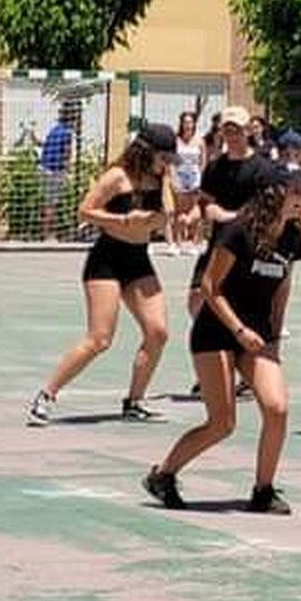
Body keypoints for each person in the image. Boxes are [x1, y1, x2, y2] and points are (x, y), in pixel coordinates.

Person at [144, 160, 301, 515]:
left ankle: (263, 491)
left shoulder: (293, 236)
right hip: (217, 330)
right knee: (222, 423)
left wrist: (274, 337)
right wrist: (238, 330)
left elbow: (282, 289)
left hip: (257, 334)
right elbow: (210, 287)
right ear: (273, 193)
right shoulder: (238, 230)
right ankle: (163, 475)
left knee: (277, 409)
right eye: (294, 189)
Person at [26, 125, 177, 426]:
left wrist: (156, 217)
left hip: (138, 260)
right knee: (99, 339)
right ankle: (46, 395)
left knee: (158, 332)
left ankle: (134, 401)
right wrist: (123, 218)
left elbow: (166, 213)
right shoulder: (116, 177)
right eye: (164, 157)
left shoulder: (160, 177)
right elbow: (84, 212)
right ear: (147, 152)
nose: (168, 164)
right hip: (107, 259)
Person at [189, 107, 263, 320]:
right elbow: (205, 201)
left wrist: (235, 217)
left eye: (237, 130)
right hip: (218, 242)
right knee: (197, 296)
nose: (231, 135)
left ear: (248, 131)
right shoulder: (214, 168)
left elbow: (265, 206)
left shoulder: (263, 168)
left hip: (249, 245)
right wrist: (199, 213)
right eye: (227, 130)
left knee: (241, 301)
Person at [170, 112, 206, 256]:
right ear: (181, 123)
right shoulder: (176, 140)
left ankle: (193, 242)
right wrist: (173, 179)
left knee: (194, 210)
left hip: (194, 177)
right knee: (180, 210)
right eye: (185, 122)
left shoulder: (200, 140)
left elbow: (203, 161)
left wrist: (201, 178)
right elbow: (171, 161)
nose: (188, 125)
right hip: (180, 176)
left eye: (190, 122)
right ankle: (178, 242)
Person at [40, 104, 78, 242]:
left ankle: (49, 233)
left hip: (45, 168)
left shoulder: (54, 129)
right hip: (54, 170)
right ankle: (48, 235)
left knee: (49, 203)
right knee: (52, 204)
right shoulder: (67, 132)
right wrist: (68, 172)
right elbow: (67, 153)